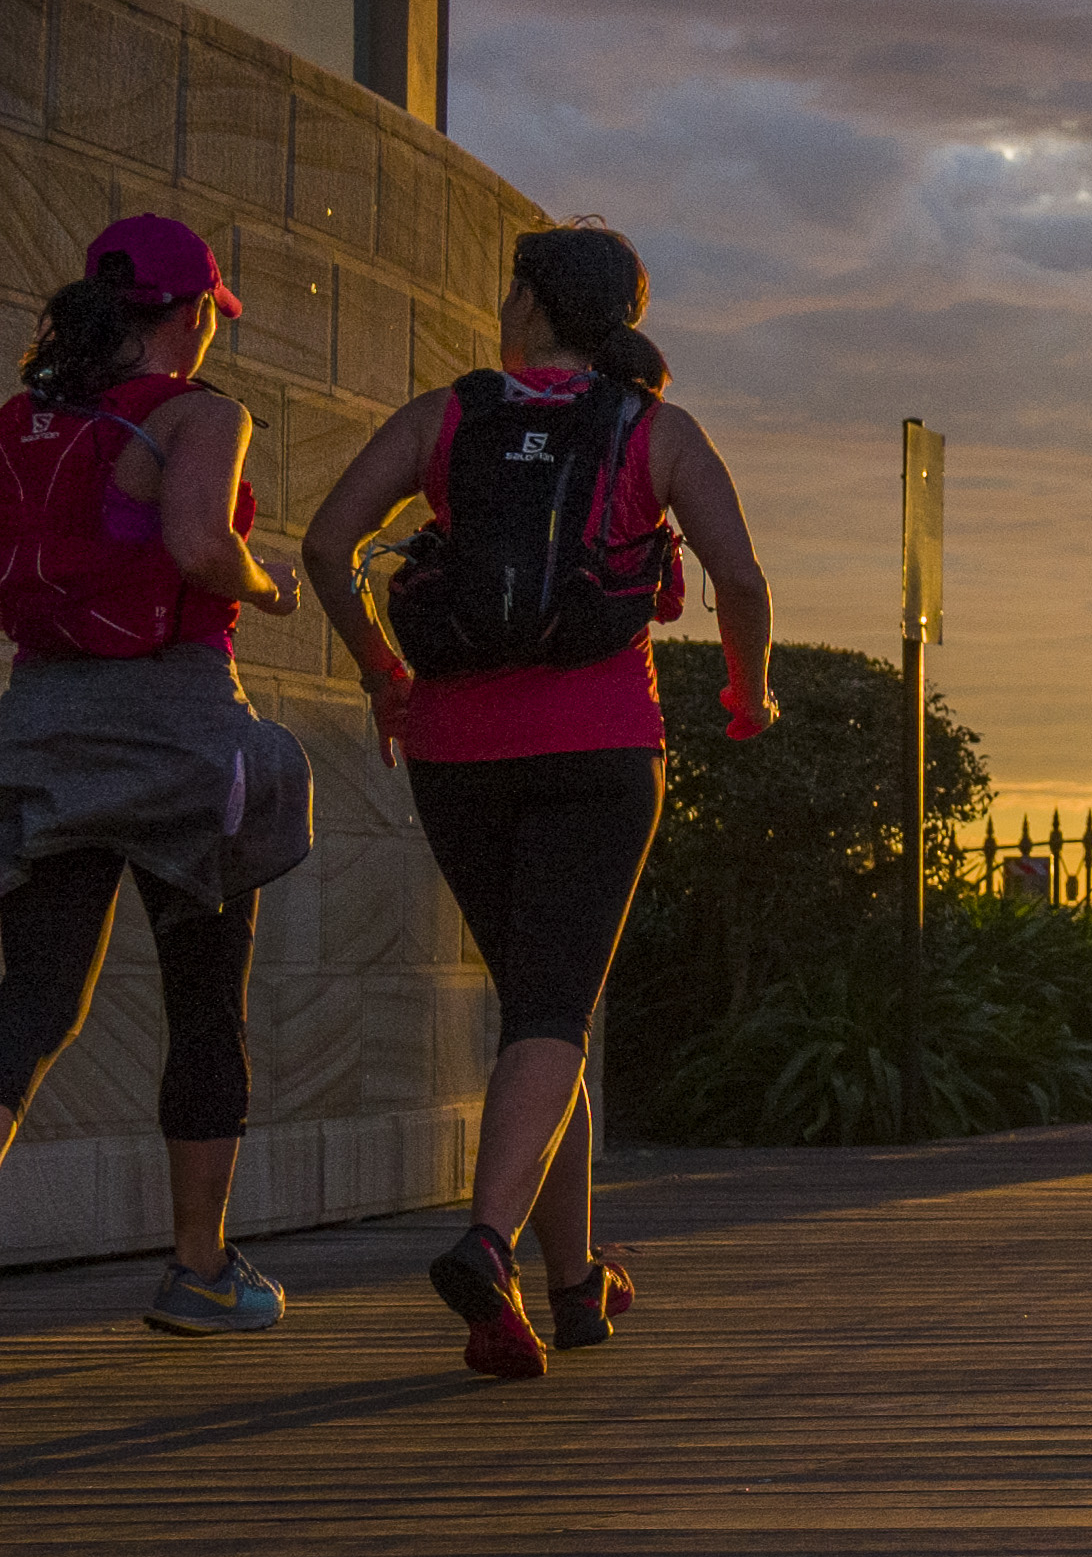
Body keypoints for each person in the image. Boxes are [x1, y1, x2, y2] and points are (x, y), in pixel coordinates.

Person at [300, 226, 773, 1380]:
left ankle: (569, 1289)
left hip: (459, 750)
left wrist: (382, 668)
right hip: (603, 744)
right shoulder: (657, 432)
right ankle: (488, 1242)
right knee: (555, 1009)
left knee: (540, 1010)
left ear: (530, 305)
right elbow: (743, 582)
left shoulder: (444, 416)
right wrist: (747, 697)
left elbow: (326, 543)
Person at [0, 218, 322, 1333]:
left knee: (34, 1005)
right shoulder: (200, 411)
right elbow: (194, 544)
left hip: (41, 723)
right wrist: (267, 584)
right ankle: (199, 1270)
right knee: (203, 1006)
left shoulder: (24, 419)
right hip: (180, 735)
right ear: (191, 316)